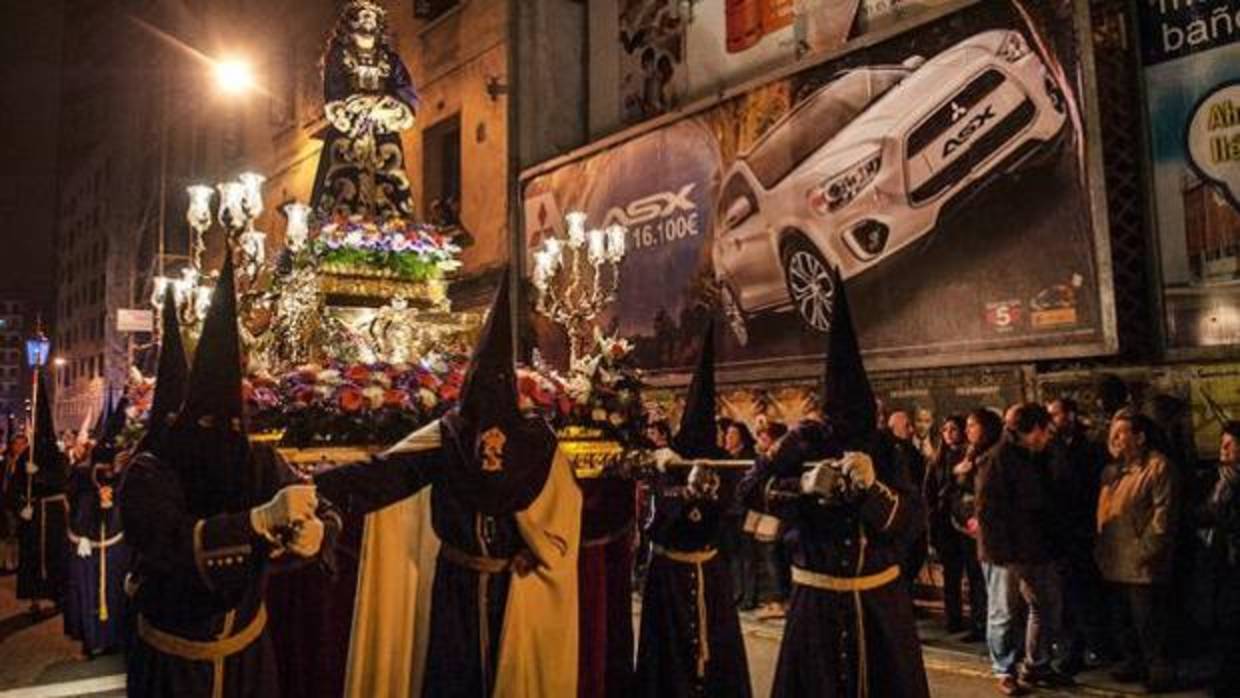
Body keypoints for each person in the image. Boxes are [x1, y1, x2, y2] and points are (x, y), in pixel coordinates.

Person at [314, 272, 581, 698]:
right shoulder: (488, 438)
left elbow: (385, 473)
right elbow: (386, 475)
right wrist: (316, 489)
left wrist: (541, 549)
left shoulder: (469, 435)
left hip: (511, 590)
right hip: (463, 584)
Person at [121, 256, 329, 697]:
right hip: (172, 668)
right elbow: (168, 543)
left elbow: (318, 505)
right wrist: (254, 522)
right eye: (210, 423)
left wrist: (319, 533)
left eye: (235, 421)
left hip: (247, 662)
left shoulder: (257, 461)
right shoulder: (151, 470)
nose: (225, 433)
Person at [739, 269, 929, 698]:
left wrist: (873, 489)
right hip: (816, 602)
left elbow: (911, 519)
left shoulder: (885, 451)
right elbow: (749, 490)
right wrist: (804, 485)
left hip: (879, 604)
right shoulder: (804, 442)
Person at [635, 321, 751, 697]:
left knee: (717, 654)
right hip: (670, 571)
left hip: (711, 570)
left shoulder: (723, 464)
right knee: (668, 658)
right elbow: (653, 522)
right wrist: (679, 491)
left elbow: (734, 512)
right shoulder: (669, 462)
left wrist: (714, 495)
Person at [977, 403, 1072, 695]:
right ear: (1032, 430)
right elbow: (987, 512)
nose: (1048, 437)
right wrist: (1002, 556)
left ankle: (1036, 664)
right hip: (1006, 554)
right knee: (1003, 612)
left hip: (1036, 548)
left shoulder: (1037, 457)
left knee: (1043, 606)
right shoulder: (997, 460)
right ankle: (1004, 669)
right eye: (1045, 431)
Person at [1096, 409, 1178, 692]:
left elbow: (1162, 517)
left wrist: (1145, 551)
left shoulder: (1158, 467)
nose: (1115, 439)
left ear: (1140, 437)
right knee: (1125, 621)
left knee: (1150, 623)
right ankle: (1134, 662)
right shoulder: (1110, 472)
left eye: (1121, 433)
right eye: (1112, 434)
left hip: (1143, 564)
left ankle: (1160, 671)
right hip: (1114, 560)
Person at [64, 405, 132, 658]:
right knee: (89, 591)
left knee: (115, 589)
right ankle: (92, 638)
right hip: (88, 541)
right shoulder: (81, 477)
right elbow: (74, 492)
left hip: (115, 541)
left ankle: (115, 637)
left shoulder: (124, 479)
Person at [1046, 397, 1108, 672]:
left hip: (1083, 530)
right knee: (1068, 596)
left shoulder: (1091, 448)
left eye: (1055, 414)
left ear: (1070, 416)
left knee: (1087, 593)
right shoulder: (1052, 449)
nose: (1052, 421)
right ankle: (1073, 649)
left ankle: (1096, 645)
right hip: (1062, 532)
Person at [925, 414, 986, 639]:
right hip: (944, 526)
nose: (950, 434)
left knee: (974, 574)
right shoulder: (936, 460)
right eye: (945, 429)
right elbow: (929, 494)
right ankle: (953, 619)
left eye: (954, 429)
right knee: (951, 575)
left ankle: (979, 622)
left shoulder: (971, 456)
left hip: (965, 524)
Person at [13, 374, 69, 617]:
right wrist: (20, 504)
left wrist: (38, 477)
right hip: (34, 513)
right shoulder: (28, 455)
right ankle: (34, 596)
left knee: (56, 555)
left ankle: (58, 596)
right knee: (33, 556)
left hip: (55, 514)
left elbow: (63, 481)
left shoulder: (58, 457)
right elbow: (14, 487)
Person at [1202, 421, 1240, 697]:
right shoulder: (1222, 480)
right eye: (1222, 443)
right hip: (1222, 560)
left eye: (1230, 444)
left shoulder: (1232, 483)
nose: (1223, 449)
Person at [888, 410, 929, 601]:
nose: (912, 430)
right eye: (906, 426)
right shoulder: (890, 453)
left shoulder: (910, 451)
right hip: (901, 517)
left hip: (913, 514)